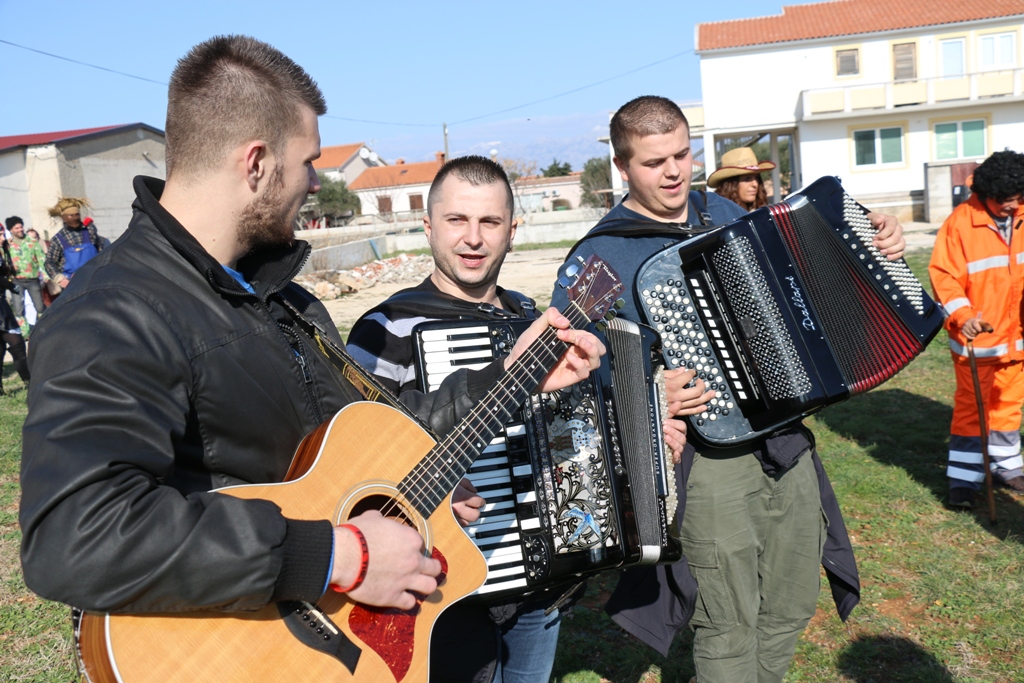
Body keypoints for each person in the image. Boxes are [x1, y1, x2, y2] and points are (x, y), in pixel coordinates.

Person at [19, 33, 603, 666]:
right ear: (257, 163)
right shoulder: (115, 311)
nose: (315, 181)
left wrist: (512, 377)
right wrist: (338, 555)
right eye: (309, 162)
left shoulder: (285, 302)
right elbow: (75, 535)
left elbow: (375, 440)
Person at [550, 96, 907, 683]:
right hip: (703, 458)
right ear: (623, 168)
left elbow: (811, 270)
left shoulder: (726, 211)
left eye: (682, 153)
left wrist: (875, 237)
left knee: (792, 603)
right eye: (653, 161)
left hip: (784, 435)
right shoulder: (600, 255)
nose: (673, 171)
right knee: (728, 622)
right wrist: (647, 389)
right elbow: (571, 372)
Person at [348, 155, 612, 682]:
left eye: (489, 222)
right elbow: (354, 459)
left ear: (512, 231)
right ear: (428, 227)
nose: (473, 238)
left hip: (537, 586)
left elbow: (563, 432)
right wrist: (433, 488)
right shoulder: (386, 328)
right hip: (438, 593)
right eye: (456, 220)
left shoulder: (531, 320)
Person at [928, 149, 1024, 508]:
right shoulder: (959, 224)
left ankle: (1007, 466)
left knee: (1008, 405)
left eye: (1019, 199)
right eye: (1006, 200)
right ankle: (964, 480)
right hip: (978, 340)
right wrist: (964, 317)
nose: (1013, 206)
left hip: (1016, 340)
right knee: (973, 409)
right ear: (986, 194)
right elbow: (944, 279)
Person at [43, 196, 103, 289]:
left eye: (77, 214)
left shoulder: (90, 231)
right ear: (64, 218)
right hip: (72, 284)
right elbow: (49, 262)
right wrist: (60, 279)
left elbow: (102, 252)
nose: (75, 218)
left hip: (96, 279)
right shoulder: (58, 239)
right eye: (71, 215)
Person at [5, 215, 47, 333]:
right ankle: (24, 332)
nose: (20, 230)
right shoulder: (7, 245)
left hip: (32, 279)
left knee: (40, 307)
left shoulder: (32, 242)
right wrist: (9, 269)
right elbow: (3, 261)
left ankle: (43, 329)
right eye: (16, 228)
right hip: (16, 280)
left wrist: (45, 275)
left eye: (21, 227)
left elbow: (41, 258)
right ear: (11, 230)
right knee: (18, 309)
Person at [0, 245, 30, 393]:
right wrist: (11, 286)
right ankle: (30, 382)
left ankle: (30, 382)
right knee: (17, 343)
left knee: (13, 345)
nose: (2, 236)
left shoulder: (4, 251)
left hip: (2, 304)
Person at [707, 147, 774, 211]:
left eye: (757, 178)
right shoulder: (720, 216)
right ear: (731, 184)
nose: (755, 184)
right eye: (748, 179)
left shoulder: (756, 212)